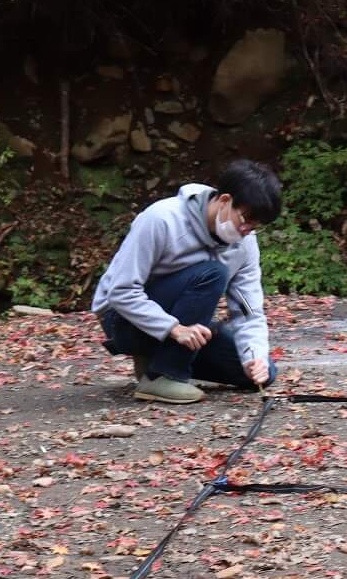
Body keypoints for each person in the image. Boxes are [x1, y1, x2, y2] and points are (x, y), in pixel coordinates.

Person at [93, 160, 282, 404]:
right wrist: (173, 329)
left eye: (255, 226)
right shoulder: (161, 219)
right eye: (245, 219)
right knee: (213, 273)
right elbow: (121, 291)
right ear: (225, 200)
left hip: (183, 327)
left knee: (263, 374)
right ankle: (164, 374)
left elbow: (247, 307)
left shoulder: (245, 244)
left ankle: (153, 359)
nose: (247, 230)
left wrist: (253, 356)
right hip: (123, 320)